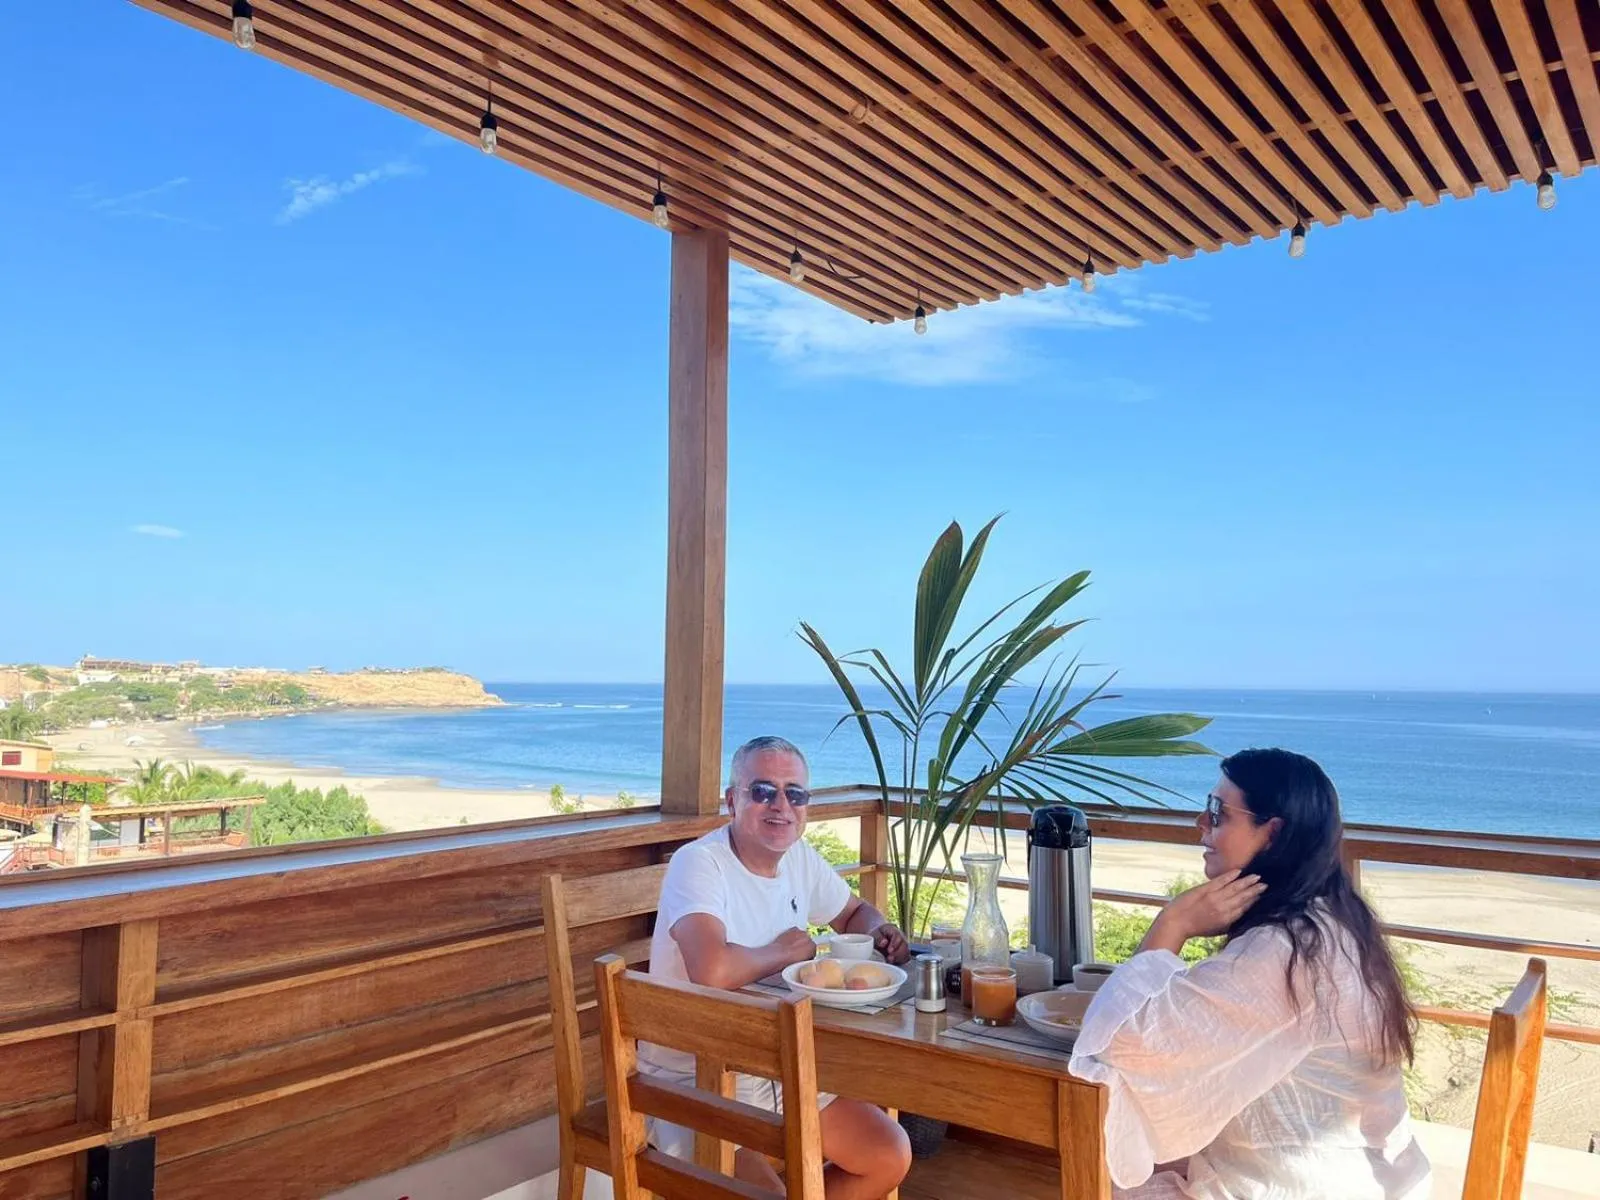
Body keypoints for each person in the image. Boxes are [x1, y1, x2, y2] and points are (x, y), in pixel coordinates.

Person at [1069, 748, 1431, 1200]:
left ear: (1272, 833)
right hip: (1363, 1175)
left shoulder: (1288, 951)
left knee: (1073, 1173)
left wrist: (1172, 924)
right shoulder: (1330, 920)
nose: (1200, 822)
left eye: (1218, 812)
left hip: (1297, 1186)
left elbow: (1122, 1045)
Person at [642, 735, 913, 1199]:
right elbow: (712, 970)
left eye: (795, 793)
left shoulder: (798, 859)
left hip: (780, 1070)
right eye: (763, 791)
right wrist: (785, 951)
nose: (781, 805)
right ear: (733, 800)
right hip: (696, 1080)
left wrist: (880, 929)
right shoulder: (699, 864)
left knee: (888, 1154)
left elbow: (853, 913)